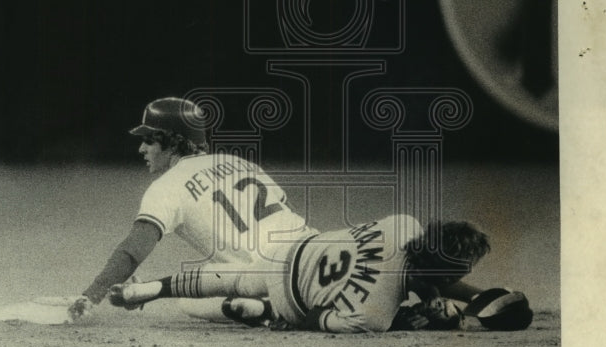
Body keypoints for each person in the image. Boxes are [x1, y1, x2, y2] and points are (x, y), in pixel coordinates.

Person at [68, 97, 314, 319]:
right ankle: (270, 305)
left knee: (189, 299)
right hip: (314, 254)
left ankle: (268, 308)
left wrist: (91, 295)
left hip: (268, 279)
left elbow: (133, 250)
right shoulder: (240, 162)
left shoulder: (167, 185)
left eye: (149, 141)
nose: (141, 149)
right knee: (211, 280)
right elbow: (289, 211)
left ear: (172, 142)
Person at [108, 217, 532, 332]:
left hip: (294, 252)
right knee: (285, 312)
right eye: (464, 269)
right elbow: (314, 320)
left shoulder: (403, 224)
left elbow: (414, 268)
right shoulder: (377, 315)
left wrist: (432, 294)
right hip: (292, 298)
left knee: (236, 277)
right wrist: (414, 318)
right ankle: (262, 312)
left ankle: (152, 288)